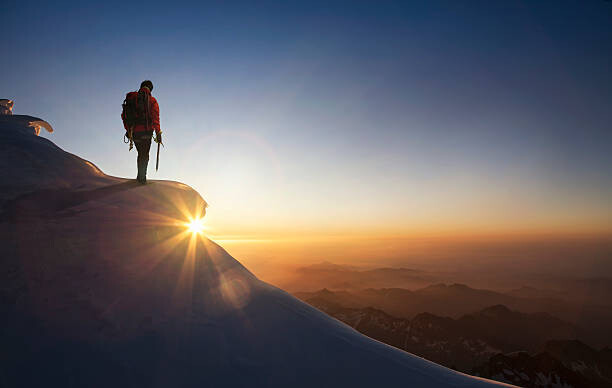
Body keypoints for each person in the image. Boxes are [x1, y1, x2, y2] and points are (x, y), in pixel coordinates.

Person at [121, 80, 162, 184]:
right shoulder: (152, 100)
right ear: (150, 89)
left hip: (134, 133)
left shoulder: (132, 99)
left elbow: (124, 116)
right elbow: (155, 118)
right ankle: (141, 178)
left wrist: (128, 130)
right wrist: (158, 133)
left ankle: (140, 177)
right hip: (146, 132)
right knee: (144, 155)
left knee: (141, 154)